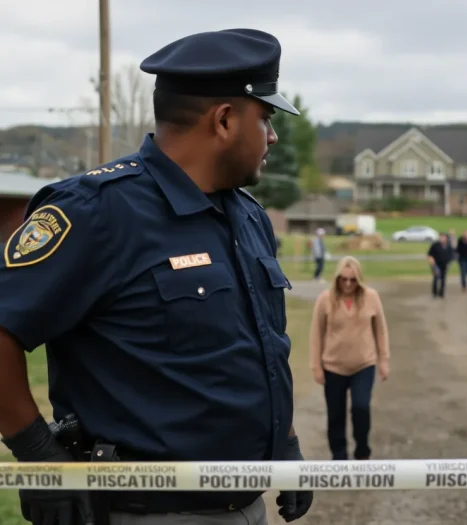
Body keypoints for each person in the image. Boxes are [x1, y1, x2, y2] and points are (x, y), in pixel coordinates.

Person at [0, 28, 313, 525]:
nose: (272, 136)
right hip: (143, 511)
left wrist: (286, 443)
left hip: (245, 506)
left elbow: (263, 345)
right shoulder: (97, 213)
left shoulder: (247, 216)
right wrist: (37, 451)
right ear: (226, 120)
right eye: (267, 118)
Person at [309, 256, 390, 461]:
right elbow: (316, 333)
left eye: (352, 280)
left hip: (364, 364)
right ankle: (339, 457)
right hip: (333, 366)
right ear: (337, 279)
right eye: (343, 279)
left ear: (359, 280)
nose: (347, 284)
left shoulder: (371, 297)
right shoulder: (325, 299)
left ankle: (362, 452)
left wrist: (384, 360)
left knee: (360, 407)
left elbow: (380, 330)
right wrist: (316, 366)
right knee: (336, 414)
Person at [427, 233, 452, 298]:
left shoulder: (448, 246)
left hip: (444, 265)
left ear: (446, 238)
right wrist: (432, 263)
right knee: (436, 278)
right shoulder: (435, 245)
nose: (442, 238)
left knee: (443, 279)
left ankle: (441, 293)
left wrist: (449, 263)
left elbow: (451, 255)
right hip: (436, 265)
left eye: (443, 237)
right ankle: (434, 293)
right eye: (441, 237)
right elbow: (430, 254)